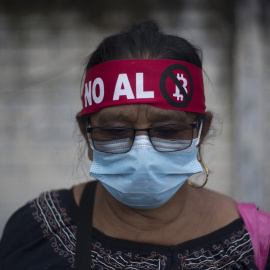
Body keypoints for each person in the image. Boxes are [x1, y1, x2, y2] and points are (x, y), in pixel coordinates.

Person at [0, 21, 269, 270]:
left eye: (169, 130)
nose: (143, 153)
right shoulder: (36, 232)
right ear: (87, 133)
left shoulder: (258, 241)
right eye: (115, 130)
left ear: (201, 131)